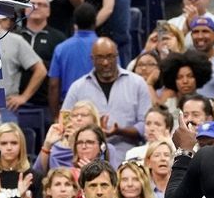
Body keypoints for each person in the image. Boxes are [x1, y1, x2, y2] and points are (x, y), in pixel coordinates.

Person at [62, 37, 151, 166]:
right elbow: (65, 121)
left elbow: (146, 125)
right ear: (92, 59)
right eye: (99, 58)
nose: (105, 62)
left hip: (131, 158)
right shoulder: (78, 87)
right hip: (86, 161)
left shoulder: (137, 83)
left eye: (110, 57)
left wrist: (119, 130)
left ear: (117, 56)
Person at [48, 3, 97, 117]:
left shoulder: (61, 48)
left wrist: (56, 117)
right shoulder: (105, 48)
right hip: (98, 109)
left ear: (75, 24)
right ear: (95, 22)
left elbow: (54, 85)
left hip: (70, 110)